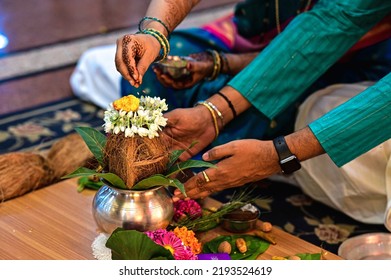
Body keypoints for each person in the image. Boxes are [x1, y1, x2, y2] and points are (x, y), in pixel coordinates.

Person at [111, 0, 391, 230]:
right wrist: (213, 112)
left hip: (345, 67)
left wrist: (278, 155)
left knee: (301, 116)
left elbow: (337, 26)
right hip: (274, 48)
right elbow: (332, 21)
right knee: (154, 68)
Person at [71, 0, 391, 147]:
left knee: (253, 119)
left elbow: (323, 35)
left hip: (339, 61)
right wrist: (154, 32)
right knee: (150, 62)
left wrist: (217, 78)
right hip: (251, 37)